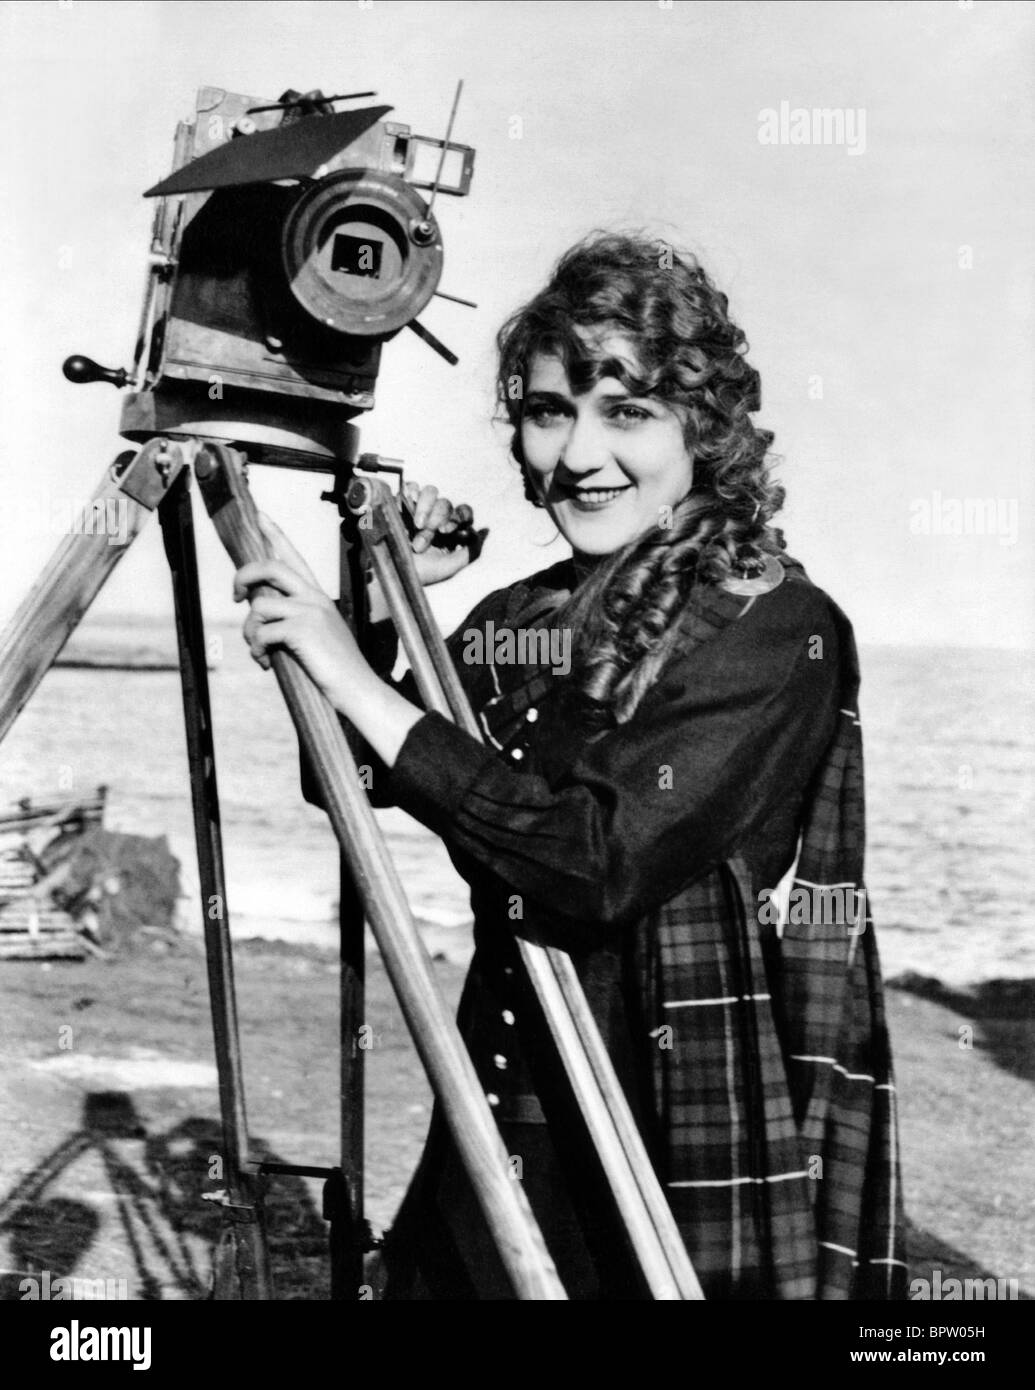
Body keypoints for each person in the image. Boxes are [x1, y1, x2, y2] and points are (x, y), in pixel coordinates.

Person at [233, 232, 907, 1300]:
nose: (580, 453)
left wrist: (352, 676)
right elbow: (355, 776)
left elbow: (594, 858)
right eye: (551, 411)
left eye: (626, 411)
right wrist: (380, 594)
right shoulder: (530, 616)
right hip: (500, 1110)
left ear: (705, 428)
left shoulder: (775, 628)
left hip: (661, 1143)